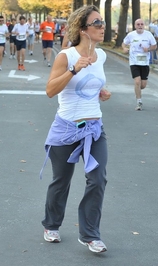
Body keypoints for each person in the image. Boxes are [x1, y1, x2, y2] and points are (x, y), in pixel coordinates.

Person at [40, 5, 111, 253]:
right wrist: (73, 70)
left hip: (94, 129)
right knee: (61, 181)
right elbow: (50, 91)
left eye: (102, 22)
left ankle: (90, 235)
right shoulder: (66, 57)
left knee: (98, 179)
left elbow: (93, 84)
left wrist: (101, 92)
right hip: (67, 129)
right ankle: (51, 224)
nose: (103, 27)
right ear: (83, 30)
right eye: (97, 23)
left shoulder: (101, 56)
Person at [122, 18, 157, 111]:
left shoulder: (148, 35)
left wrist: (148, 49)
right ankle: (139, 101)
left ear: (144, 25)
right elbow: (124, 43)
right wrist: (124, 48)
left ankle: (137, 90)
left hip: (144, 62)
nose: (140, 26)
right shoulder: (131, 35)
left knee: (143, 85)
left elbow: (154, 46)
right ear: (135, 26)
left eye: (142, 24)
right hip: (134, 61)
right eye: (138, 24)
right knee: (137, 81)